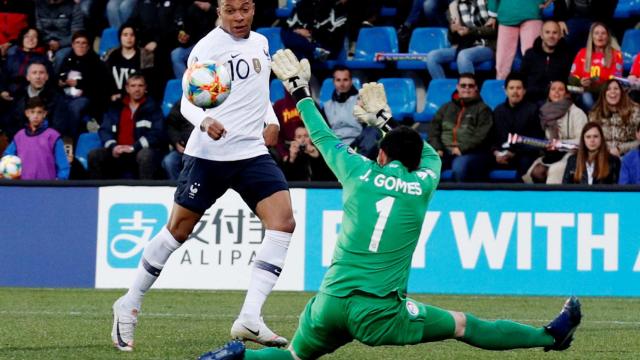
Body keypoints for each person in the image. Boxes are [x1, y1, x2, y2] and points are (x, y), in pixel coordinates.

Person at [199, 48, 583, 360]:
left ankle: (237, 358)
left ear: (380, 156)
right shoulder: (423, 182)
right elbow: (429, 153)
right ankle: (550, 337)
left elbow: (322, 133)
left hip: (330, 302)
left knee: (297, 356)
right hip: (379, 314)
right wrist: (385, 119)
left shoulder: (357, 171)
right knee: (464, 325)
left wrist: (300, 90)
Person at [110, 0, 295, 352]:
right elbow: (187, 101)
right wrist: (204, 120)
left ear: (253, 8)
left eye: (244, 9)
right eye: (230, 10)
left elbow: (258, 92)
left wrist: (271, 120)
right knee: (177, 231)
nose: (238, 17)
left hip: (251, 152)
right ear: (219, 11)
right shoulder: (208, 48)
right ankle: (129, 302)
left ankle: (250, 317)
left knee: (283, 222)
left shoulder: (261, 42)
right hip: (210, 154)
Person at [88, 74, 164, 179]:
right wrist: (114, 147)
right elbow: (105, 130)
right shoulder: (115, 107)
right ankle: (98, 192)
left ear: (145, 88)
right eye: (133, 86)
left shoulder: (153, 108)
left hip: (139, 151)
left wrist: (134, 147)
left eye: (140, 85)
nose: (137, 89)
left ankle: (146, 192)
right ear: (127, 88)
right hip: (117, 152)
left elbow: (157, 133)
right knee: (94, 155)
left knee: (146, 155)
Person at [429, 73, 493, 182]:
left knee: (459, 168)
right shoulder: (445, 108)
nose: (467, 88)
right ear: (457, 87)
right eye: (463, 85)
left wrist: (461, 148)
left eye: (470, 86)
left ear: (476, 88)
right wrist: (438, 148)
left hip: (470, 152)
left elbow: (482, 135)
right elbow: (434, 130)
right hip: (444, 151)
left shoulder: (483, 109)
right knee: (426, 166)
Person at [524, 80, 587, 184]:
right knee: (533, 172)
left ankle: (554, 200)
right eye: (553, 89)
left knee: (554, 171)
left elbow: (582, 141)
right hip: (551, 154)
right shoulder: (543, 112)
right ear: (549, 93)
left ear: (567, 94)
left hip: (572, 154)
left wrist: (560, 144)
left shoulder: (577, 113)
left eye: (561, 89)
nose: (556, 92)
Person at [56, 30, 109, 142]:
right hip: (66, 94)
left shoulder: (96, 63)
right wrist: (61, 82)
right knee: (56, 105)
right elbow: (60, 75)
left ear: (89, 46)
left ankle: (70, 139)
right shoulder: (67, 59)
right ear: (72, 45)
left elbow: (100, 85)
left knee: (74, 108)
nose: (80, 46)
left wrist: (79, 84)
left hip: (87, 97)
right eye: (77, 42)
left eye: (83, 43)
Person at [491, 72, 545, 179]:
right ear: (505, 91)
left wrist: (514, 153)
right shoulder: (498, 110)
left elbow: (535, 140)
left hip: (523, 154)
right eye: (511, 88)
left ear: (524, 91)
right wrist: (496, 152)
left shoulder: (533, 110)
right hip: (500, 153)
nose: (515, 91)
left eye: (518, 88)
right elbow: (492, 138)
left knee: (525, 161)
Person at [425, 0, 496, 79]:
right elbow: (452, 40)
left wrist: (470, 31)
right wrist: (452, 30)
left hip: (488, 45)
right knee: (432, 57)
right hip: (465, 46)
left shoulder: (488, 3)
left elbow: (494, 30)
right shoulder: (454, 8)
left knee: (464, 55)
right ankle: (444, 89)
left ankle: (468, 88)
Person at [3, 96, 69, 180]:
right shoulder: (19, 136)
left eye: (39, 112)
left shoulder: (53, 136)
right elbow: (7, 158)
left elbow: (63, 166)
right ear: (27, 113)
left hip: (47, 188)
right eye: (32, 112)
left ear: (44, 114)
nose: (35, 116)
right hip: (23, 188)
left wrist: (59, 184)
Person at [568, 22, 623, 112]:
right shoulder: (582, 53)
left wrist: (594, 83)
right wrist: (580, 81)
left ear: (608, 36)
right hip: (585, 92)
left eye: (603, 33)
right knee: (586, 97)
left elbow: (616, 80)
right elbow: (571, 78)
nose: (600, 36)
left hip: (607, 93)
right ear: (592, 37)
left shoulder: (616, 55)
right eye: (596, 33)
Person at [486, 0, 545, 80]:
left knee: (532, 55)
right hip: (515, 14)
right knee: (504, 60)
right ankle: (503, 85)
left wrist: (492, 15)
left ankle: (533, 85)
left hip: (526, 13)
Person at [5, 62, 64, 141]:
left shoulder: (56, 98)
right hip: (20, 141)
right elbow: (11, 124)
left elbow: (58, 126)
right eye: (34, 73)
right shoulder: (18, 95)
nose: (38, 76)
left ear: (47, 77)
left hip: (45, 142)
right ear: (28, 77)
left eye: (41, 73)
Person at [520, 20, 573, 104]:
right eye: (547, 32)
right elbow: (522, 77)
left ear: (559, 36)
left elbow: (569, 80)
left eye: (554, 33)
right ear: (541, 35)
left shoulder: (567, 55)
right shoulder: (530, 54)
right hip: (531, 99)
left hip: (557, 100)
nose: (551, 36)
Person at [281, 0, 348, 62]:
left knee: (298, 54)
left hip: (325, 47)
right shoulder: (300, 5)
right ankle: (314, 49)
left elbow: (337, 37)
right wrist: (298, 30)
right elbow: (286, 28)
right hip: (304, 46)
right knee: (288, 35)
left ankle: (313, 51)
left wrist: (311, 34)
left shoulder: (337, 7)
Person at [588, 79, 640, 158]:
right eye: (608, 89)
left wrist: (620, 149)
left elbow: (639, 141)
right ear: (604, 94)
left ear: (622, 92)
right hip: (601, 156)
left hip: (628, 156)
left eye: (616, 88)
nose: (613, 92)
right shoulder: (595, 114)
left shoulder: (634, 112)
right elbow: (590, 139)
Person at [103, 24, 155, 102]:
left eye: (132, 35)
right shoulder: (111, 54)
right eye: (125, 35)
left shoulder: (145, 56)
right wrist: (110, 95)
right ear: (120, 37)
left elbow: (149, 82)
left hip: (137, 100)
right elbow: (105, 79)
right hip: (114, 99)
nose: (129, 38)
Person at [552, 0, 618, 56]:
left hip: (597, 18)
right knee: (561, 38)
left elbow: (608, 8)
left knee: (612, 51)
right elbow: (559, 3)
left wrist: (600, 24)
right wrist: (560, 20)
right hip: (572, 18)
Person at [170, 0, 216, 79]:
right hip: (194, 45)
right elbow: (186, 29)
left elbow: (224, 16)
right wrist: (184, 39)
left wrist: (210, 8)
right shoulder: (187, 5)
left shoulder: (212, 4)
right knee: (176, 54)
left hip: (213, 42)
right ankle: (187, 83)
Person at [35, 0, 84, 72]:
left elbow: (77, 34)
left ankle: (54, 80)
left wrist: (60, 44)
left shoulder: (73, 7)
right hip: (43, 42)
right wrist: (46, 44)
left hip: (66, 44)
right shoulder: (39, 5)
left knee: (60, 56)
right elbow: (37, 30)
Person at [1, 27, 50, 99]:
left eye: (34, 37)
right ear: (22, 39)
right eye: (27, 36)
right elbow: (3, 76)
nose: (31, 39)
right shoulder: (12, 57)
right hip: (8, 93)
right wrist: (2, 91)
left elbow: (50, 81)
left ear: (38, 40)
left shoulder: (43, 60)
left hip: (32, 96)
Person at [162, 100, 194, 180]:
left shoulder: (216, 105)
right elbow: (170, 126)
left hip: (207, 153)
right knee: (169, 161)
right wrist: (176, 142)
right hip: (184, 150)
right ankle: (178, 189)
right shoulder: (183, 103)